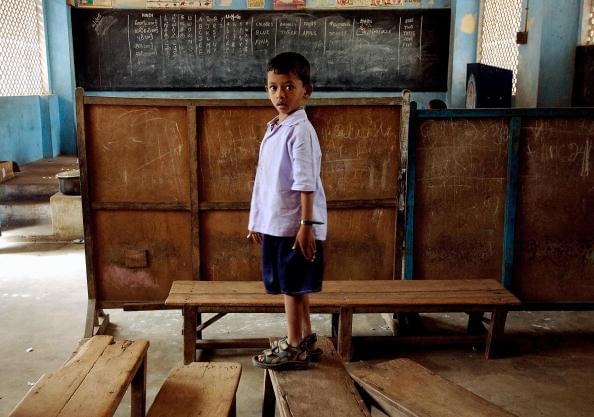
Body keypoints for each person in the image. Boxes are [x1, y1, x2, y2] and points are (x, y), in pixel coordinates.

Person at [247, 52, 327, 370]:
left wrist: (306, 224)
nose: (281, 95)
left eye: (289, 87)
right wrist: (257, 220)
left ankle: (294, 346)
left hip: (294, 226)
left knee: (291, 287)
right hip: (277, 223)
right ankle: (305, 337)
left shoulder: (300, 130)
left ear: (306, 89)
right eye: (273, 87)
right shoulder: (276, 127)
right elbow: (264, 181)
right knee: (293, 284)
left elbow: (305, 181)